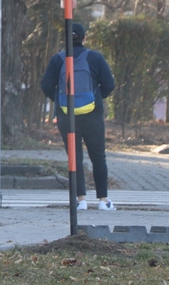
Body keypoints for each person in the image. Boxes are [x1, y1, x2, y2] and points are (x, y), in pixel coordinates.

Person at [40, 22, 116, 210]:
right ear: (84, 38)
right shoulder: (95, 58)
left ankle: (80, 200)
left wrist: (61, 101)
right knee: (98, 156)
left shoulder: (58, 59)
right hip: (92, 114)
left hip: (67, 115)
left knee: (75, 157)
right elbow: (109, 84)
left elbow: (46, 85)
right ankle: (103, 201)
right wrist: (96, 97)